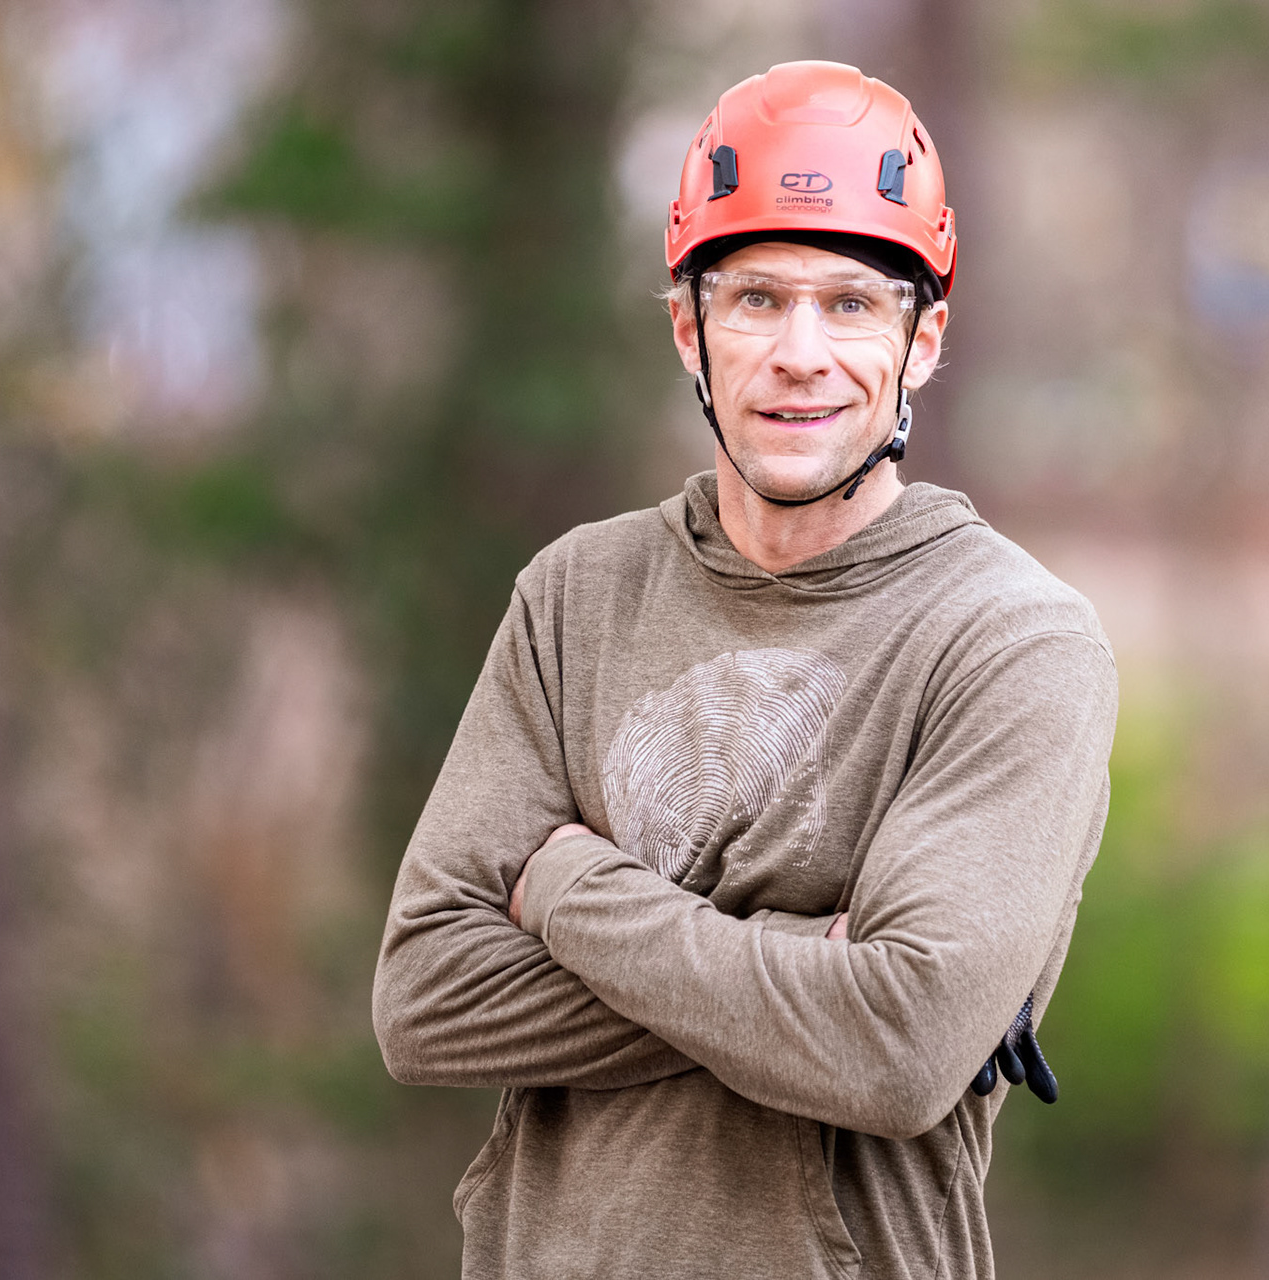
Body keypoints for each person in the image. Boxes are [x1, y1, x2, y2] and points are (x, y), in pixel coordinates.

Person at [373, 60, 1117, 1280]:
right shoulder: (577, 594)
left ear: (922, 341)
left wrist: (565, 891)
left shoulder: (1012, 641)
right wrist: (796, 975)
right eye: (757, 300)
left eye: (851, 305)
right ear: (690, 329)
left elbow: (898, 1046)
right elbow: (426, 997)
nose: (800, 354)